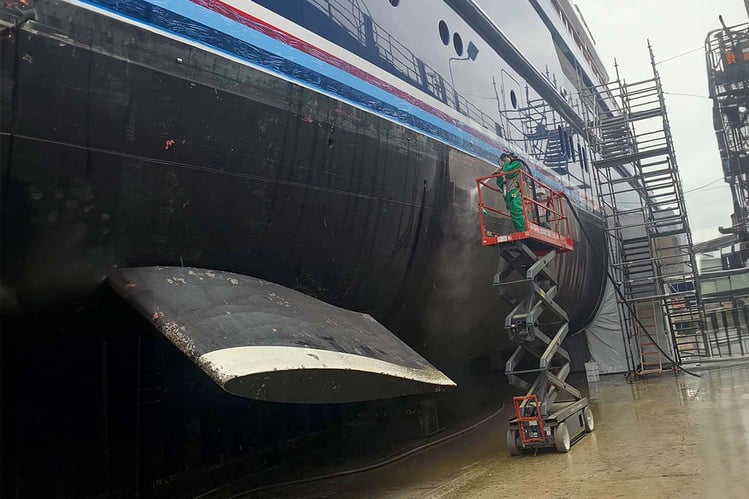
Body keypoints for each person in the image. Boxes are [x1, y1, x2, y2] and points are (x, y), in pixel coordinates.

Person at [494, 152, 527, 232]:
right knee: (513, 213)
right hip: (509, 194)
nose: (504, 162)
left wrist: (505, 166)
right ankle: (520, 230)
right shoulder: (507, 168)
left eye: (504, 160)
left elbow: (509, 173)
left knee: (516, 210)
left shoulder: (517, 164)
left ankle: (522, 230)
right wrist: (498, 175)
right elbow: (501, 184)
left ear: (509, 157)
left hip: (515, 192)